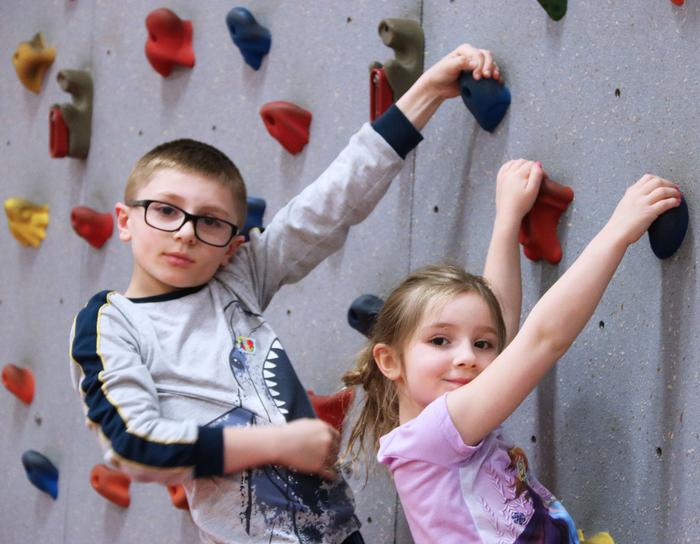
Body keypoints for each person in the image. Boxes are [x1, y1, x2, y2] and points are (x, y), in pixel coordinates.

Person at [68, 44, 502, 544]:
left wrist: (427, 91)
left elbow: (329, 204)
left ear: (232, 242)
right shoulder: (112, 320)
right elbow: (132, 444)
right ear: (125, 220)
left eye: (209, 221)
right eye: (166, 210)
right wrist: (278, 442)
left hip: (337, 532)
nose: (186, 232)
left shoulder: (235, 276)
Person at [343, 168, 681, 543]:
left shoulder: (431, 431)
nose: (467, 357)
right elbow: (542, 339)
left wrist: (507, 217)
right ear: (389, 361)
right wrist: (618, 232)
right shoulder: (433, 435)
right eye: (440, 341)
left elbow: (498, 320)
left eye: (481, 345)